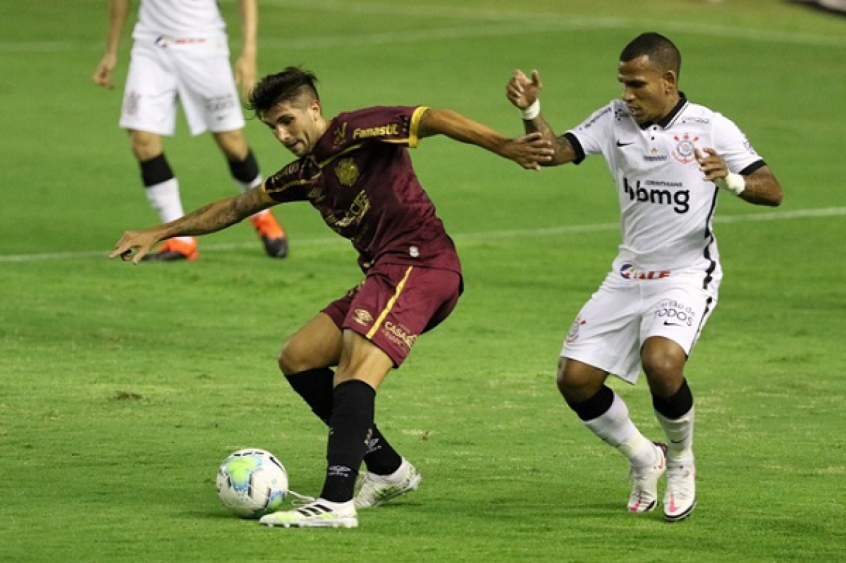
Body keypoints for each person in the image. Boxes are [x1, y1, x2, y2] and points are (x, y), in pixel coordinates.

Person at [111, 67, 554, 527]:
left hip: (420, 263)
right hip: (385, 272)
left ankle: (336, 502)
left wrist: (504, 145)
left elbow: (432, 118)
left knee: (353, 369)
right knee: (299, 357)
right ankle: (388, 469)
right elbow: (236, 206)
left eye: (287, 120)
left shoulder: (357, 130)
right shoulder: (304, 174)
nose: (282, 134)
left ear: (314, 109)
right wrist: (161, 231)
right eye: (272, 127)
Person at [505, 32, 783, 522]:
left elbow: (772, 189)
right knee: (575, 380)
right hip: (628, 272)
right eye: (622, 83)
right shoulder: (613, 119)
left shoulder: (710, 127)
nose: (626, 95)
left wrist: (731, 179)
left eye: (636, 84)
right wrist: (531, 110)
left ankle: (679, 461)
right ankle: (643, 456)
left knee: (662, 361)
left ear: (669, 80)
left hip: (686, 273)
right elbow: (553, 152)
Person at [92, 0, 288, 261]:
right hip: (152, 47)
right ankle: (180, 240)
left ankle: (262, 215)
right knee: (141, 139)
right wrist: (111, 51)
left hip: (204, 46)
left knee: (231, 141)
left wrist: (249, 52)